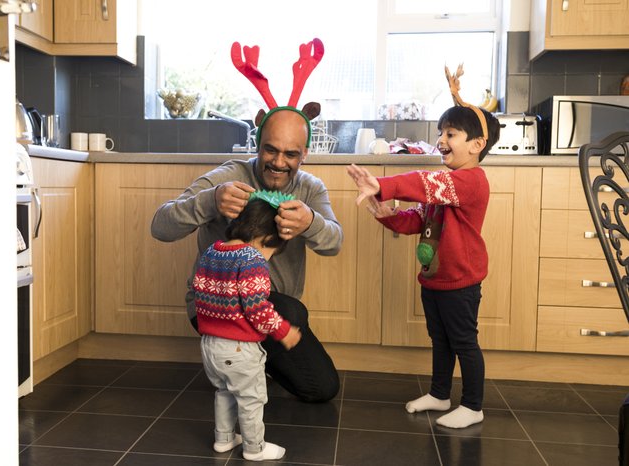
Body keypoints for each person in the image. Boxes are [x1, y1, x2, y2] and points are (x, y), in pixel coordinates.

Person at [150, 107, 343, 402]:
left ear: (304, 154)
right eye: (270, 150)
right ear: (257, 143)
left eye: (290, 154)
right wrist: (210, 201)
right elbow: (160, 226)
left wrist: (310, 222)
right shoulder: (228, 176)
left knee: (322, 388)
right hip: (219, 306)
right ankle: (240, 361)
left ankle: (258, 360)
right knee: (292, 313)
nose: (278, 162)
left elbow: (334, 242)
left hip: (270, 312)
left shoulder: (309, 189)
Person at [347, 103, 500, 429]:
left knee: (464, 343)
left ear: (476, 145)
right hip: (435, 278)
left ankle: (473, 406)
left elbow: (425, 182)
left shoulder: (470, 181)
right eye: (440, 133)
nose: (441, 140)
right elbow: (418, 219)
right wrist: (387, 216)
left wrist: (383, 185)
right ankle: (439, 394)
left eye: (451, 134)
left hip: (461, 280)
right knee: (440, 340)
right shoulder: (446, 185)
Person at [195, 196, 302, 461]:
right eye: (271, 252)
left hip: (209, 345)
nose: (268, 259)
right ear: (263, 237)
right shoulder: (252, 259)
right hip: (239, 348)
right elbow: (257, 308)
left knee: (224, 392)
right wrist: (283, 331)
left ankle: (224, 438)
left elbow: (200, 290)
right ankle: (255, 448)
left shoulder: (213, 251)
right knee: (251, 399)